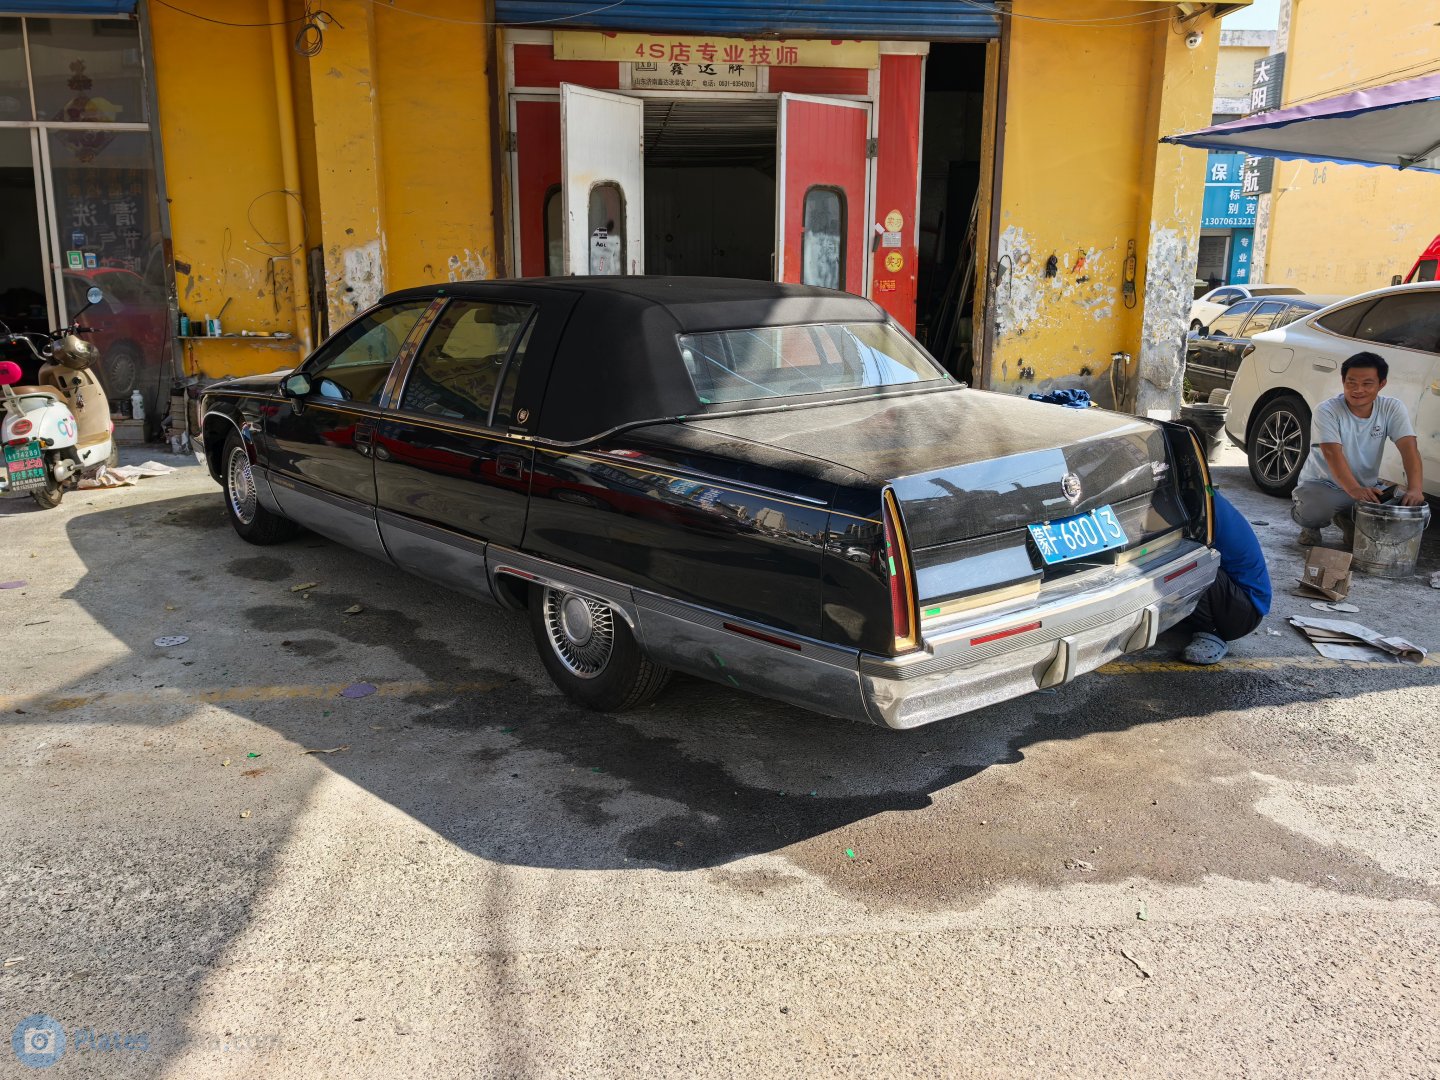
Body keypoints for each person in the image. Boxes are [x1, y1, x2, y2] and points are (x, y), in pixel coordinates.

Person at [1291, 351, 1425, 548]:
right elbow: (1332, 453)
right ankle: (1309, 525)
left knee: (1404, 506)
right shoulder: (1327, 410)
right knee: (1314, 510)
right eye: (1351, 382)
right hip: (1324, 485)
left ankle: (1349, 518)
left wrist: (1415, 489)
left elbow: (1409, 449)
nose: (1358, 390)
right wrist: (1354, 490)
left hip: (1366, 487)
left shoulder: (1392, 408)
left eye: (1367, 384)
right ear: (1343, 381)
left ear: (1382, 384)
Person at [1181, 489, 1271, 665]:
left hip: (1244, 612)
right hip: (1233, 597)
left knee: (1187, 565)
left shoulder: (1202, 510)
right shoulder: (1202, 494)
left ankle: (1210, 632)